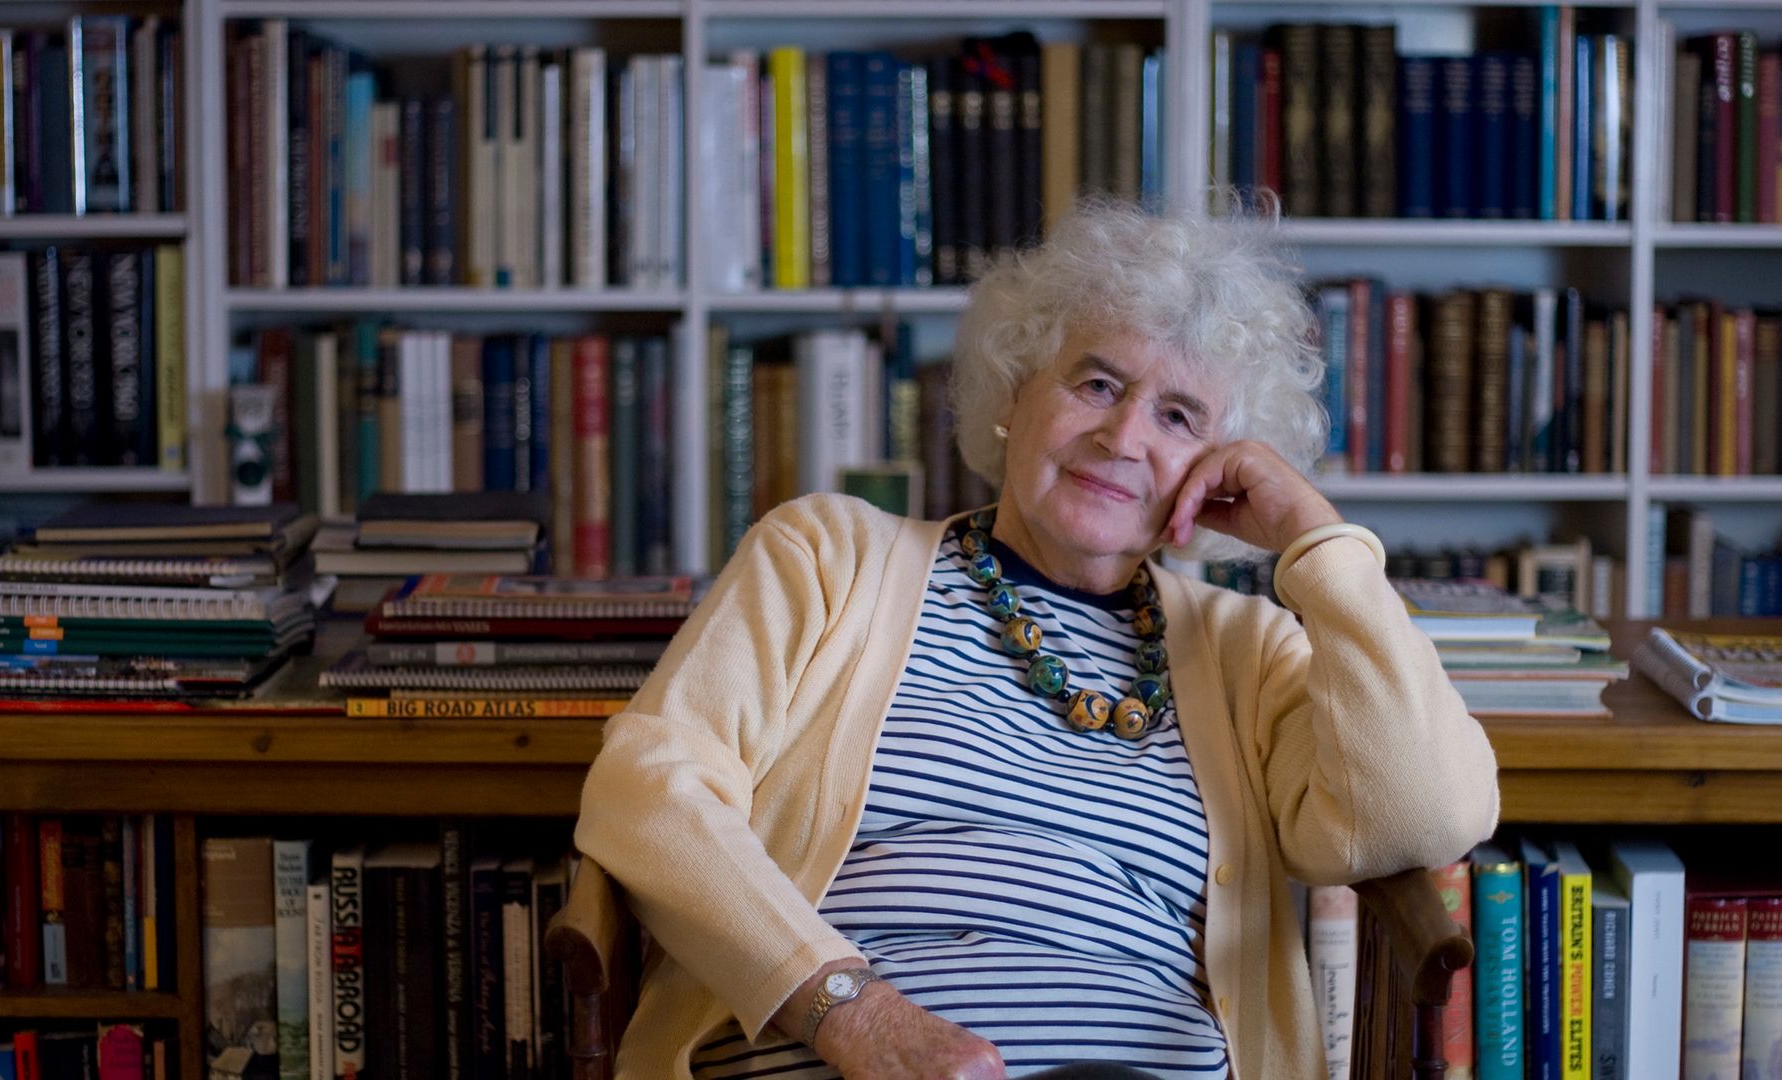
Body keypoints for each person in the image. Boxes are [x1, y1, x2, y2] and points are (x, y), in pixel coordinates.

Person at [573, 202, 1500, 1080]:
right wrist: (852, 1014)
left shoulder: (1246, 653)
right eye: (1097, 382)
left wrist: (1319, 545)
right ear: (1016, 393)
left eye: (1179, 417)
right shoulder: (827, 558)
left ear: (1218, 472)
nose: (1123, 436)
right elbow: (649, 788)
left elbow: (1424, 816)